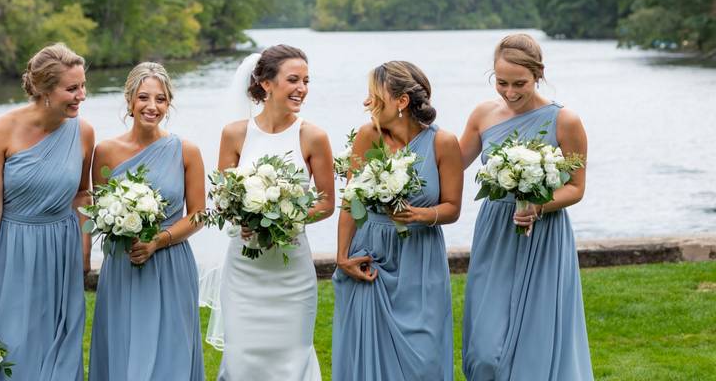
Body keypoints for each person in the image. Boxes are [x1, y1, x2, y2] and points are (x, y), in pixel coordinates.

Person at [460, 33, 593, 380]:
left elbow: (576, 188)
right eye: (501, 82)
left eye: (520, 83)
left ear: (539, 74)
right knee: (485, 349)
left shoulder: (565, 121)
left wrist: (537, 206)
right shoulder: (482, 115)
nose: (510, 92)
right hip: (495, 233)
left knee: (537, 339)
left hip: (544, 237)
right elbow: (451, 165)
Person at [0, 42, 94, 380]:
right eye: (72, 88)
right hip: (9, 252)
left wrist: (84, 250)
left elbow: (81, 195)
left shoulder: (84, 133)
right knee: (10, 350)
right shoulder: (0, 131)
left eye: (82, 86)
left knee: (59, 349)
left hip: (61, 254)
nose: (81, 95)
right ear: (45, 90)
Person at [332, 61, 462, 381]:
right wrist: (342, 256)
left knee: (425, 361)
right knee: (368, 359)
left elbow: (453, 207)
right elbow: (352, 200)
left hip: (420, 258)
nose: (366, 103)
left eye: (373, 96)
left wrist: (421, 214)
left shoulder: (443, 143)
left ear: (401, 101)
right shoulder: (368, 136)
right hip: (371, 255)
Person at [214, 45, 335, 381]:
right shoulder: (235, 134)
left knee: (291, 360)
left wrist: (284, 220)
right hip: (244, 270)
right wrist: (244, 218)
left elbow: (326, 203)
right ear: (266, 84)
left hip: (291, 272)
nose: (302, 88)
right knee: (241, 360)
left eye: (306, 81)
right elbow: (223, 200)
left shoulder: (313, 136)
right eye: (293, 79)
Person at [88, 62, 206, 380]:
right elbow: (99, 211)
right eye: (143, 97)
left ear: (169, 104)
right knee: (125, 349)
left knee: (172, 353)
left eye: (161, 99)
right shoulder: (106, 151)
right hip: (124, 265)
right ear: (129, 101)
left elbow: (198, 215)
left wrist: (158, 240)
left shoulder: (187, 151)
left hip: (171, 263)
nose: (152, 106)